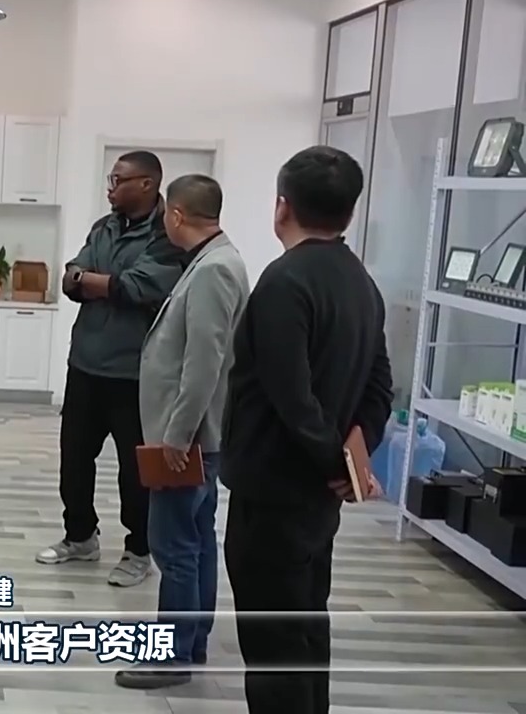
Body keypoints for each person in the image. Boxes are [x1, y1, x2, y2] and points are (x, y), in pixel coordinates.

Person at [222, 146, 391, 714]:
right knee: (305, 630)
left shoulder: (284, 282)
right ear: (349, 212)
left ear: (282, 207)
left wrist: (336, 464)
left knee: (275, 644)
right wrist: (350, 465)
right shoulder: (360, 281)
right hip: (319, 497)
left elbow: (291, 397)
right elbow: (379, 388)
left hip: (275, 492)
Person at [115, 174, 248, 690]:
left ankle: (171, 655)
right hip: (198, 436)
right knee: (194, 541)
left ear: (175, 215)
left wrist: (177, 435)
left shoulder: (214, 270)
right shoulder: (213, 260)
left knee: (173, 547)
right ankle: (190, 642)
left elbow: (204, 363)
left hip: (189, 440)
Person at [37, 150, 184, 588]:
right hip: (85, 365)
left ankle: (138, 550)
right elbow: (72, 276)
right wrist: (89, 280)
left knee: (133, 470)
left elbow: (137, 287)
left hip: (134, 374)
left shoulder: (167, 236)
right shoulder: (104, 227)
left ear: (147, 184)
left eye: (118, 180)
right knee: (74, 459)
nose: (110, 187)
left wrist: (93, 281)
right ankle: (80, 537)